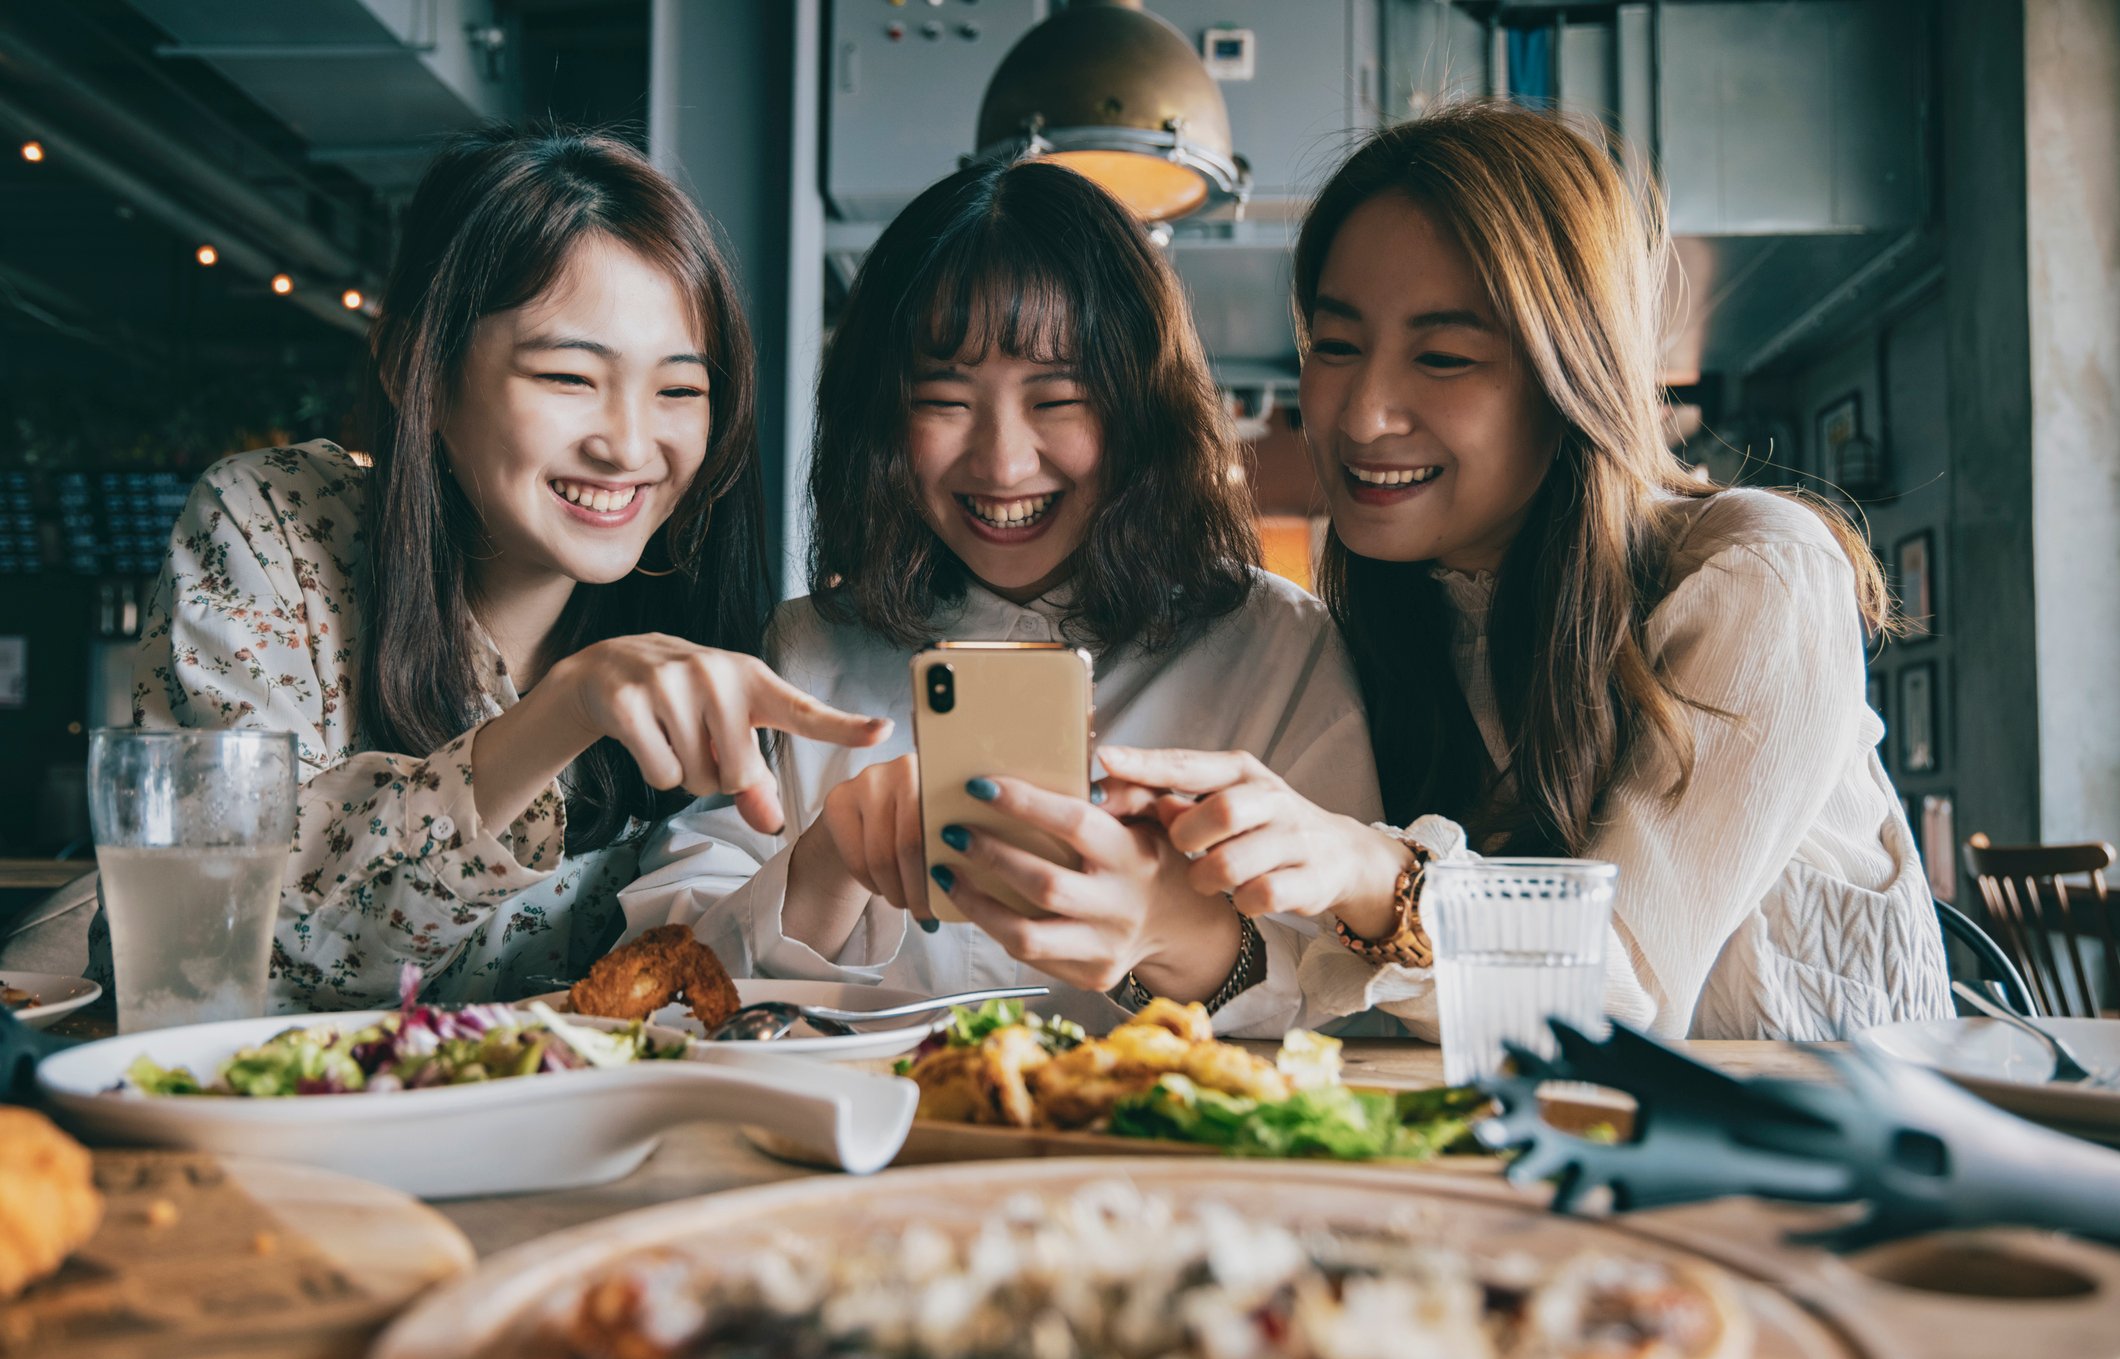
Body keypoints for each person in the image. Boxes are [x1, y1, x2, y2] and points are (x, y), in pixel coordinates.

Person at [1097, 102, 1951, 1041]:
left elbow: (1626, 990)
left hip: (1843, 1160)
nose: (1363, 414)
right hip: (1558, 1153)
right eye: (1335, 345)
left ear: (1571, 375)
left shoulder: (1758, 572)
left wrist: (1372, 873)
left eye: (1445, 357)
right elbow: (1351, 1000)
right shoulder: (1398, 613)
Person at [124, 127, 886, 1010]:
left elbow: (681, 998)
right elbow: (223, 943)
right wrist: (566, 708)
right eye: (569, 377)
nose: (631, 447)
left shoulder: (704, 622)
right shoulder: (273, 528)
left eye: (680, 389)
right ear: (417, 368)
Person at [622, 159, 1381, 1034]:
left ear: (1143, 411)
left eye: (1058, 399)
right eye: (944, 400)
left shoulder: (1276, 648)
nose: (1003, 463)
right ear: (880, 421)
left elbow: (1354, 992)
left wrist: (1178, 933)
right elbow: (666, 981)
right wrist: (825, 864)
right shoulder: (805, 651)